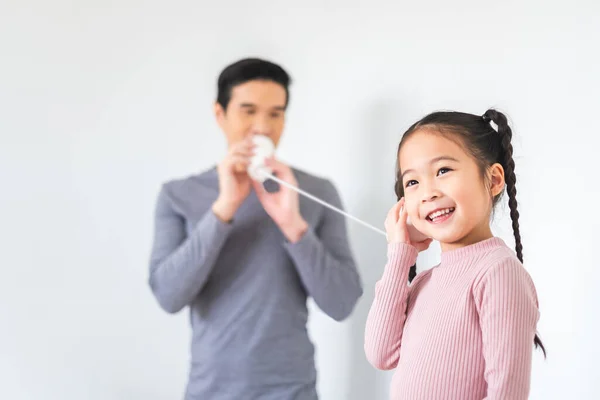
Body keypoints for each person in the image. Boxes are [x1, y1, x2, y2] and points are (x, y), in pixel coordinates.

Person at [147, 58, 363, 400]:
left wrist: (293, 225)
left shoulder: (316, 192)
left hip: (293, 390)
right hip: (210, 391)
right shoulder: (178, 195)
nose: (262, 126)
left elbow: (342, 303)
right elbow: (168, 296)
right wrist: (224, 209)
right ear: (220, 115)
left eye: (275, 113)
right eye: (248, 111)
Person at [364, 109, 545, 399]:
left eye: (443, 171)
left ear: (494, 179)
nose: (428, 193)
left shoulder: (498, 272)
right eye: (412, 182)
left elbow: (506, 394)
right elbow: (380, 354)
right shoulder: (424, 281)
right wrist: (400, 255)